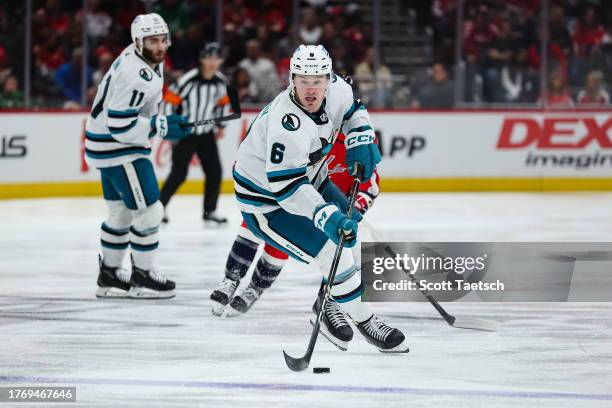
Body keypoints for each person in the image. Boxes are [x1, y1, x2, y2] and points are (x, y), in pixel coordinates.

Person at [212, 44, 408, 353]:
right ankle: (367, 321)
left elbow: (355, 111)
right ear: (291, 79)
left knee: (357, 238)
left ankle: (327, 306)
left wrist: (361, 135)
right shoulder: (285, 122)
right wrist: (325, 215)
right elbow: (288, 189)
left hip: (313, 181)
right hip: (268, 203)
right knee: (333, 251)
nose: (311, 88)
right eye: (303, 79)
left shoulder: (338, 89)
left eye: (317, 79)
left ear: (329, 78)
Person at [85, 13, 192, 299]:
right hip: (119, 148)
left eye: (162, 40)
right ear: (137, 41)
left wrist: (161, 121)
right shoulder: (138, 72)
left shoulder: (143, 59)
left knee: (119, 214)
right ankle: (143, 276)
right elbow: (120, 125)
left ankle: (109, 274)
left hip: (103, 147)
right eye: (152, 40)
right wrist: (159, 126)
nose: (159, 46)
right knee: (149, 212)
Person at [159, 42, 230, 226]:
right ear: (201, 59)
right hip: (185, 134)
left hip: (206, 134)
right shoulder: (188, 80)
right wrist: (172, 126)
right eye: (209, 57)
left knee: (215, 172)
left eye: (216, 58)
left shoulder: (221, 82)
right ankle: (158, 209)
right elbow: (169, 102)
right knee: (179, 174)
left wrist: (221, 125)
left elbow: (223, 104)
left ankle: (210, 212)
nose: (213, 62)